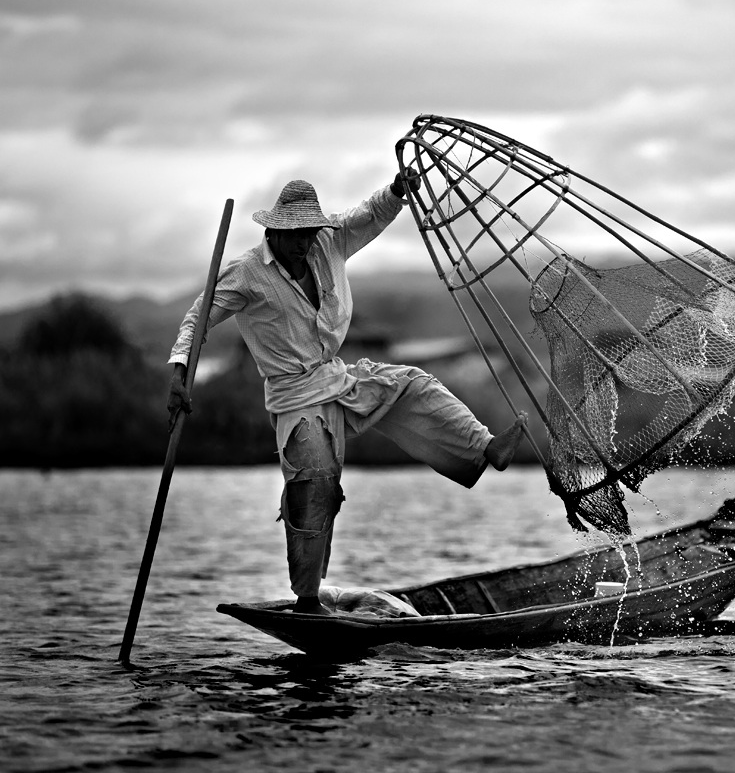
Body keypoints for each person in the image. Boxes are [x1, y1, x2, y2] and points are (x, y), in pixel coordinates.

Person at [167, 162, 527, 615]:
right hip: (295, 398)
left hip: (336, 377)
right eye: (295, 234)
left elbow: (369, 213)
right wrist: (180, 374)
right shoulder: (247, 273)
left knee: (413, 385)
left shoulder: (328, 240)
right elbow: (197, 320)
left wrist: (398, 190)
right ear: (274, 232)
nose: (304, 242)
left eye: (309, 232)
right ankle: (307, 599)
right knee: (316, 480)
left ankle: (486, 449)